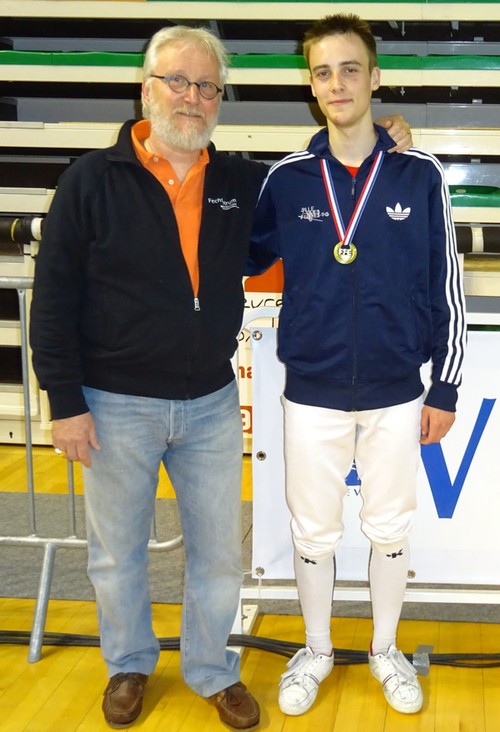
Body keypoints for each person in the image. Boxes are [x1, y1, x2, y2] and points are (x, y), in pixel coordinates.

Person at [29, 23, 413, 730]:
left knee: (217, 556)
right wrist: (65, 401)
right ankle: (128, 665)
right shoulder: (91, 180)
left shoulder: (242, 181)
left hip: (209, 399)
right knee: (117, 554)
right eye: (177, 81)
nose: (192, 97)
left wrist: (381, 140)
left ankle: (212, 669)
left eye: (207, 86)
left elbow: (323, 179)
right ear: (146, 89)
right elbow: (53, 298)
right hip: (114, 404)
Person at [247, 13, 466, 718]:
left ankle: (384, 649)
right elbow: (238, 253)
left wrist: (446, 384)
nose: (336, 83)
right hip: (311, 390)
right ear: (310, 87)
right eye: (323, 72)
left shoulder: (420, 174)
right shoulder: (286, 180)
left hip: (397, 391)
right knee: (313, 531)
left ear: (374, 78)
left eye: (350, 69)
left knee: (389, 528)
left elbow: (447, 283)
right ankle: (315, 648)